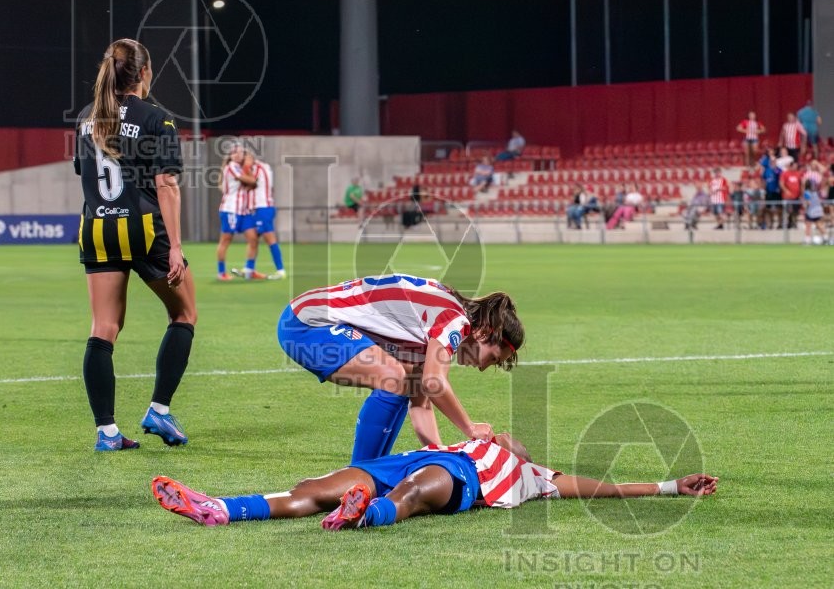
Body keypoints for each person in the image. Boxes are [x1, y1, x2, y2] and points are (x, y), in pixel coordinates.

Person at [151, 432, 718, 530]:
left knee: (417, 492)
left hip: (458, 481)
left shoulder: (536, 476)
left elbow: (603, 489)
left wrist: (669, 487)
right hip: (410, 457)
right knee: (312, 486)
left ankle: (364, 514)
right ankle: (220, 508)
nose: (510, 437)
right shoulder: (464, 439)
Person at [73, 38, 194, 451]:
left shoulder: (87, 118)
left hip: (95, 227)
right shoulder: (155, 118)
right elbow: (166, 183)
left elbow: (85, 176)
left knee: (103, 328)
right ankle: (159, 410)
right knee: (184, 314)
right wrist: (175, 245)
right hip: (143, 228)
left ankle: (106, 432)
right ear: (144, 73)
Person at [277, 274, 523, 464]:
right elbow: (433, 382)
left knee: (403, 382)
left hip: (306, 318)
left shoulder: (435, 327)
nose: (482, 368)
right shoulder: (455, 319)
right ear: (483, 333)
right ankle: (358, 475)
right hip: (308, 322)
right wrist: (469, 427)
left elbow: (421, 405)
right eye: (492, 358)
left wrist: (440, 456)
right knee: (395, 379)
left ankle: (365, 475)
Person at [231, 153, 286, 280]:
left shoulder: (259, 168)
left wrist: (244, 170)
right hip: (255, 209)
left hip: (263, 208)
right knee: (252, 239)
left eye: (244, 160)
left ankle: (280, 270)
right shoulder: (260, 167)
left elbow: (251, 182)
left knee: (269, 238)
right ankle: (249, 270)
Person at [215, 142, 255, 281]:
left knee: (253, 238)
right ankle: (221, 273)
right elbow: (251, 180)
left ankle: (249, 270)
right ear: (230, 156)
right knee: (225, 240)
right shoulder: (231, 167)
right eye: (234, 153)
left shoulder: (240, 167)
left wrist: (248, 171)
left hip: (242, 211)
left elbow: (252, 184)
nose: (237, 155)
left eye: (240, 153)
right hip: (231, 210)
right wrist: (248, 168)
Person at [802, 160, 827, 244]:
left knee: (808, 225)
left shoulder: (807, 193)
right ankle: (826, 238)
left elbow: (807, 203)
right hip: (818, 210)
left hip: (811, 211)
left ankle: (807, 240)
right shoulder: (816, 192)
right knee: (819, 224)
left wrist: (805, 207)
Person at [759, 147, 782, 229]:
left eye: (774, 161)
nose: (773, 162)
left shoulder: (778, 170)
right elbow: (764, 180)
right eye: (771, 161)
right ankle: (770, 223)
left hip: (776, 191)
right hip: (768, 191)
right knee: (768, 209)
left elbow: (781, 179)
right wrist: (763, 190)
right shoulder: (766, 170)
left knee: (779, 208)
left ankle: (780, 223)